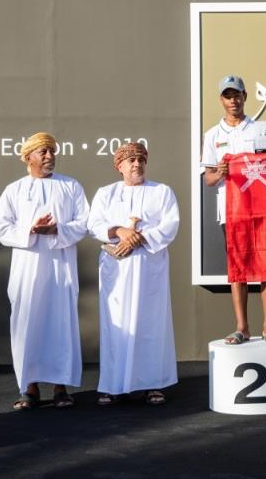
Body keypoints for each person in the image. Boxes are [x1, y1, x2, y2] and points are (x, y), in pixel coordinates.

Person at [0, 132, 89, 410]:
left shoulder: (70, 186)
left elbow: (84, 222)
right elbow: (0, 227)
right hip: (27, 271)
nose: (49, 156)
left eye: (51, 151)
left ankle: (61, 387)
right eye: (43, 152)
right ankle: (29, 388)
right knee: (26, 324)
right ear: (28, 157)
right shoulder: (15, 190)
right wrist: (31, 230)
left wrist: (58, 228)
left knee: (61, 324)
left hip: (60, 268)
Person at [87, 142, 179, 406]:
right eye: (131, 160)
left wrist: (137, 238)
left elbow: (170, 225)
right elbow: (94, 224)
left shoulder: (161, 192)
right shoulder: (106, 193)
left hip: (149, 268)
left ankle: (153, 384)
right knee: (116, 325)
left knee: (151, 324)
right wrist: (119, 232)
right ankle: (113, 385)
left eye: (141, 159)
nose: (137, 164)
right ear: (119, 167)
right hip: (117, 268)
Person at [202, 75, 266, 345]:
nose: (233, 100)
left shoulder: (256, 128)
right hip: (231, 211)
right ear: (221, 100)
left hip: (262, 208)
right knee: (238, 268)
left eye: (237, 94)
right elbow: (209, 178)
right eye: (228, 95)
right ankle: (242, 327)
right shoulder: (212, 135)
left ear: (245, 97)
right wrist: (222, 172)